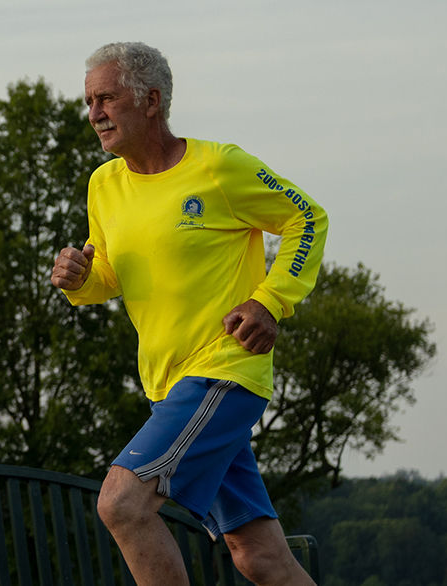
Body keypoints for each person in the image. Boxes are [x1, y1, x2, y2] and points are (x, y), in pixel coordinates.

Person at [51, 42, 327, 586]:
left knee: (123, 504)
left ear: (151, 100)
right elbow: (108, 271)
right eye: (88, 101)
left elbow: (308, 219)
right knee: (258, 555)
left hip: (223, 374)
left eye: (106, 98)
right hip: (166, 385)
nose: (94, 115)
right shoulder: (104, 185)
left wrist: (271, 301)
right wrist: (81, 280)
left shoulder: (219, 166)